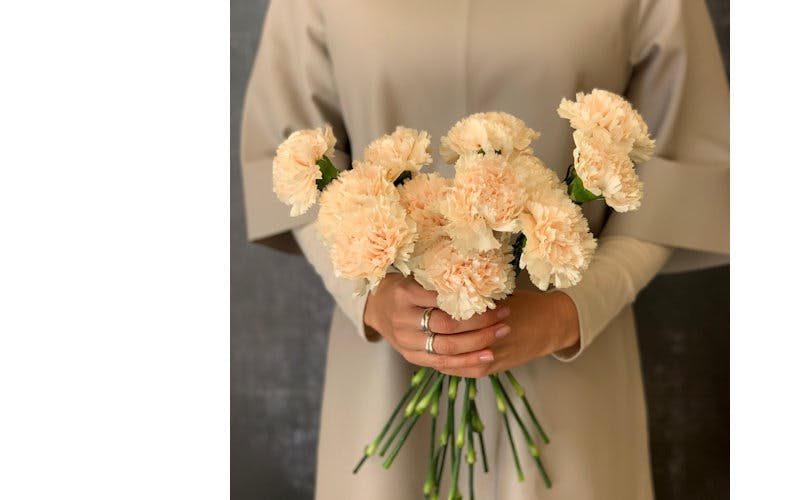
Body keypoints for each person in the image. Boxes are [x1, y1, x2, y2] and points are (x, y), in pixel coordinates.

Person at [240, 0, 728, 497]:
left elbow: (683, 170)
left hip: (574, 367)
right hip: (387, 357)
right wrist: (371, 298)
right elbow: (284, 151)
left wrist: (570, 312)